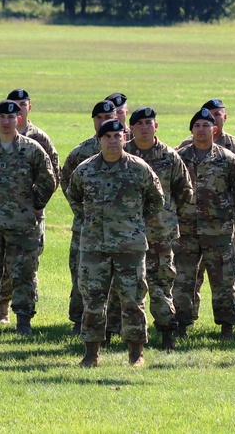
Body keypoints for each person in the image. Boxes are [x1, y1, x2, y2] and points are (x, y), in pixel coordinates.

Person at [66, 119, 164, 368]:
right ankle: (91, 354)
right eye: (107, 136)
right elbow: (74, 198)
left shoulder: (139, 169)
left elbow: (156, 199)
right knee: (94, 301)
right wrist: (90, 220)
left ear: (125, 138)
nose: (112, 140)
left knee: (133, 300)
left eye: (117, 136)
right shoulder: (85, 170)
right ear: (99, 140)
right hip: (94, 248)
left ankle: (136, 353)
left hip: (129, 248)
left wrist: (134, 222)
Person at [0, 100, 57, 336]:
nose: (6, 122)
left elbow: (49, 181)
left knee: (24, 274)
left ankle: (23, 324)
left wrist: (32, 205)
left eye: (11, 117)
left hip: (23, 225)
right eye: (1, 117)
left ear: (19, 119)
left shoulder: (32, 149)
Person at [174, 108, 235, 340]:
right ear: (191, 130)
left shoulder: (228, 159)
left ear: (214, 129)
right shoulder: (179, 157)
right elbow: (168, 187)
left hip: (218, 231)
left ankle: (227, 327)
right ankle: (180, 326)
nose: (201, 130)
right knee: (183, 280)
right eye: (197, 126)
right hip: (185, 231)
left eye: (206, 126)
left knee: (224, 282)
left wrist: (231, 213)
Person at [125, 107, 194, 350]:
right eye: (139, 123)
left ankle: (167, 333)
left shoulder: (169, 156)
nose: (144, 127)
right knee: (127, 285)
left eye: (149, 122)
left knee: (161, 283)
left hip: (161, 234)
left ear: (156, 126)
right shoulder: (122, 154)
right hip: (126, 233)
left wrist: (169, 216)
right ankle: (124, 335)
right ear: (131, 128)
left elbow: (185, 191)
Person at [0, 88, 62, 326]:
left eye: (23, 104)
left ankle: (25, 314)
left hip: (30, 215)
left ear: (28, 109)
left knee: (26, 263)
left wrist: (36, 203)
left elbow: (54, 174)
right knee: (1, 264)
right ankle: (2, 311)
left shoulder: (40, 138)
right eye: (14, 103)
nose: (19, 107)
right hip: (1, 216)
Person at [61, 100, 117, 335]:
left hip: (121, 229)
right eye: (100, 118)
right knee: (82, 275)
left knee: (120, 281)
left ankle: (115, 325)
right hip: (87, 228)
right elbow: (67, 184)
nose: (104, 122)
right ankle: (79, 322)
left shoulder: (128, 148)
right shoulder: (80, 152)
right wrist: (84, 213)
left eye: (109, 117)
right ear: (93, 121)